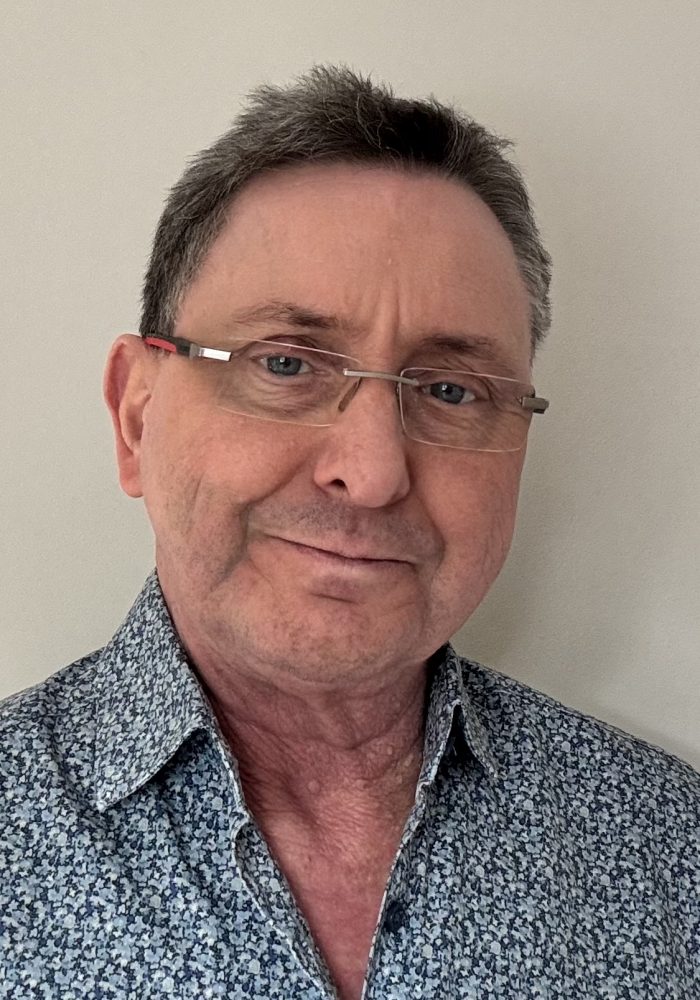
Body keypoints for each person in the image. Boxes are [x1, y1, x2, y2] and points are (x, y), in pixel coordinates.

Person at [1, 65, 697, 1000]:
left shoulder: (668, 851)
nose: (370, 474)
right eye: (287, 365)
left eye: (450, 390)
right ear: (137, 415)